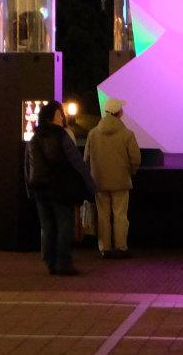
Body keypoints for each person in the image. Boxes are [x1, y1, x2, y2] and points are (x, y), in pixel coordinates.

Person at [25, 101, 95, 275]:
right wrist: (90, 183)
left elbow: (27, 166)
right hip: (60, 188)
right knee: (65, 225)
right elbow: (76, 162)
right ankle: (63, 262)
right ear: (51, 117)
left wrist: (29, 188)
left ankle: (50, 262)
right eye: (59, 114)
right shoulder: (61, 136)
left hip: (40, 189)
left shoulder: (34, 138)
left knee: (47, 227)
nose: (62, 118)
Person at [83, 97, 142, 258]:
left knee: (103, 215)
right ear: (119, 113)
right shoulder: (127, 134)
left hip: (99, 181)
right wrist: (130, 172)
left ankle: (105, 248)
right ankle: (121, 247)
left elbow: (86, 158)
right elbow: (136, 159)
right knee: (120, 215)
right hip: (121, 181)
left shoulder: (93, 133)